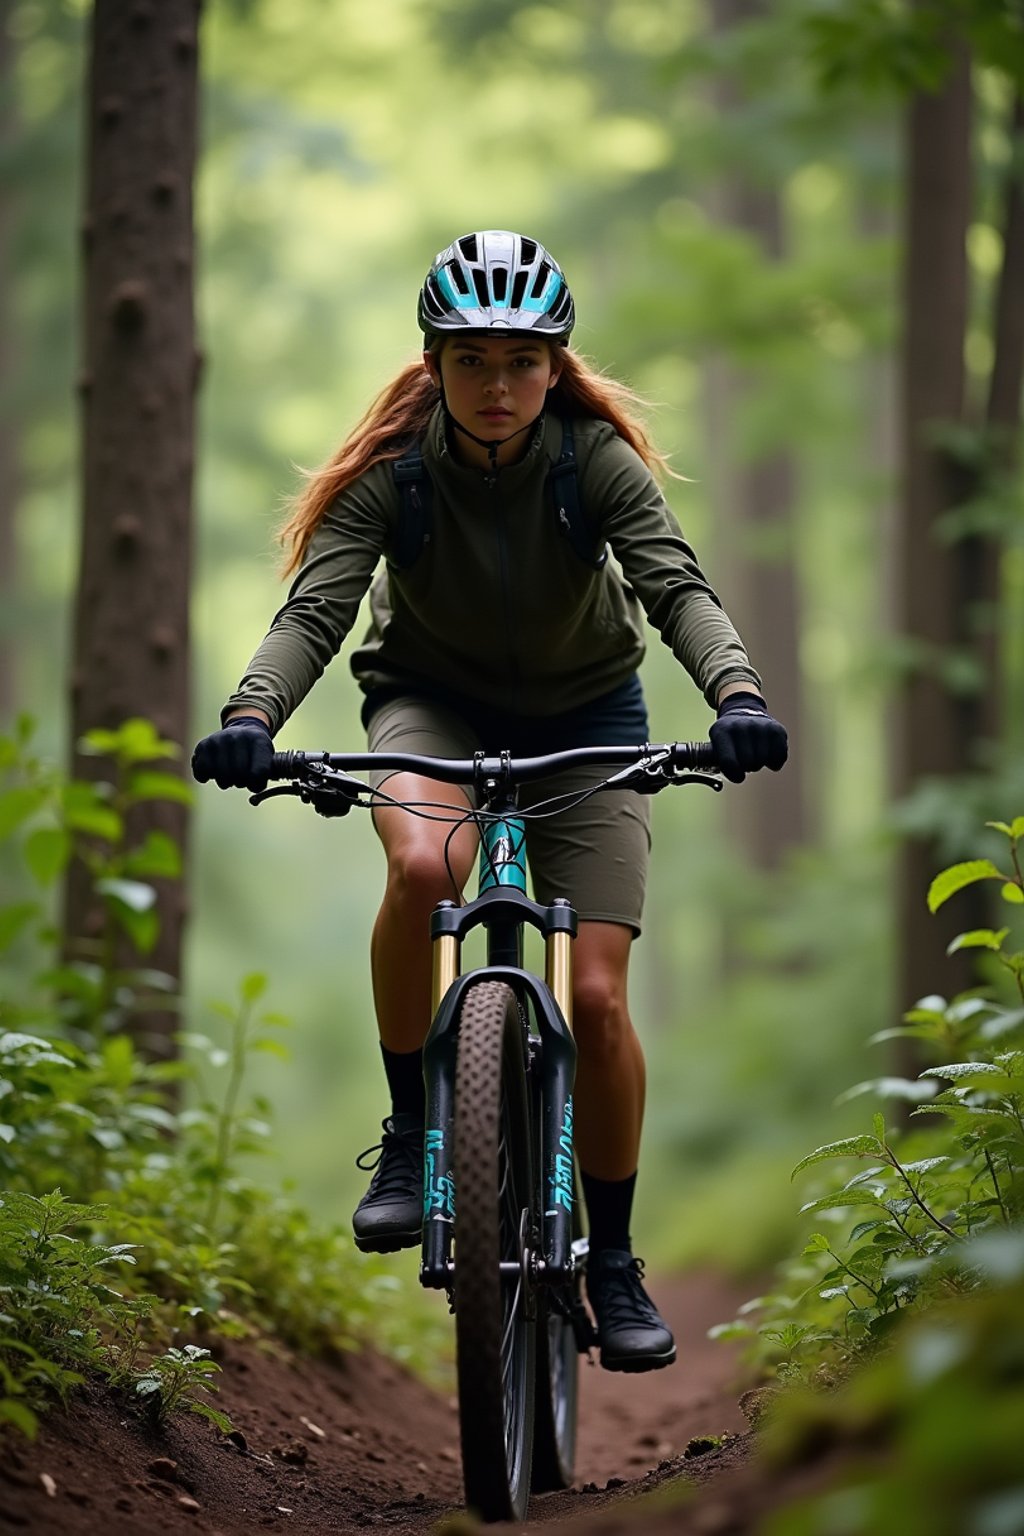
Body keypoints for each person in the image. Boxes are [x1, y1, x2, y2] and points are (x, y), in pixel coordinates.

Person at [192, 229, 788, 1374]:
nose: (499, 385)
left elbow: (675, 586)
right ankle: (415, 1136)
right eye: (473, 361)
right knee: (421, 870)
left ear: (557, 367)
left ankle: (609, 1259)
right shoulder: (393, 476)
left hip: (588, 720)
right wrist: (252, 716)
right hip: (430, 707)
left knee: (602, 999)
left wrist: (738, 693)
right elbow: (316, 612)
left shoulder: (591, 466)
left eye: (523, 361)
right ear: (433, 362)